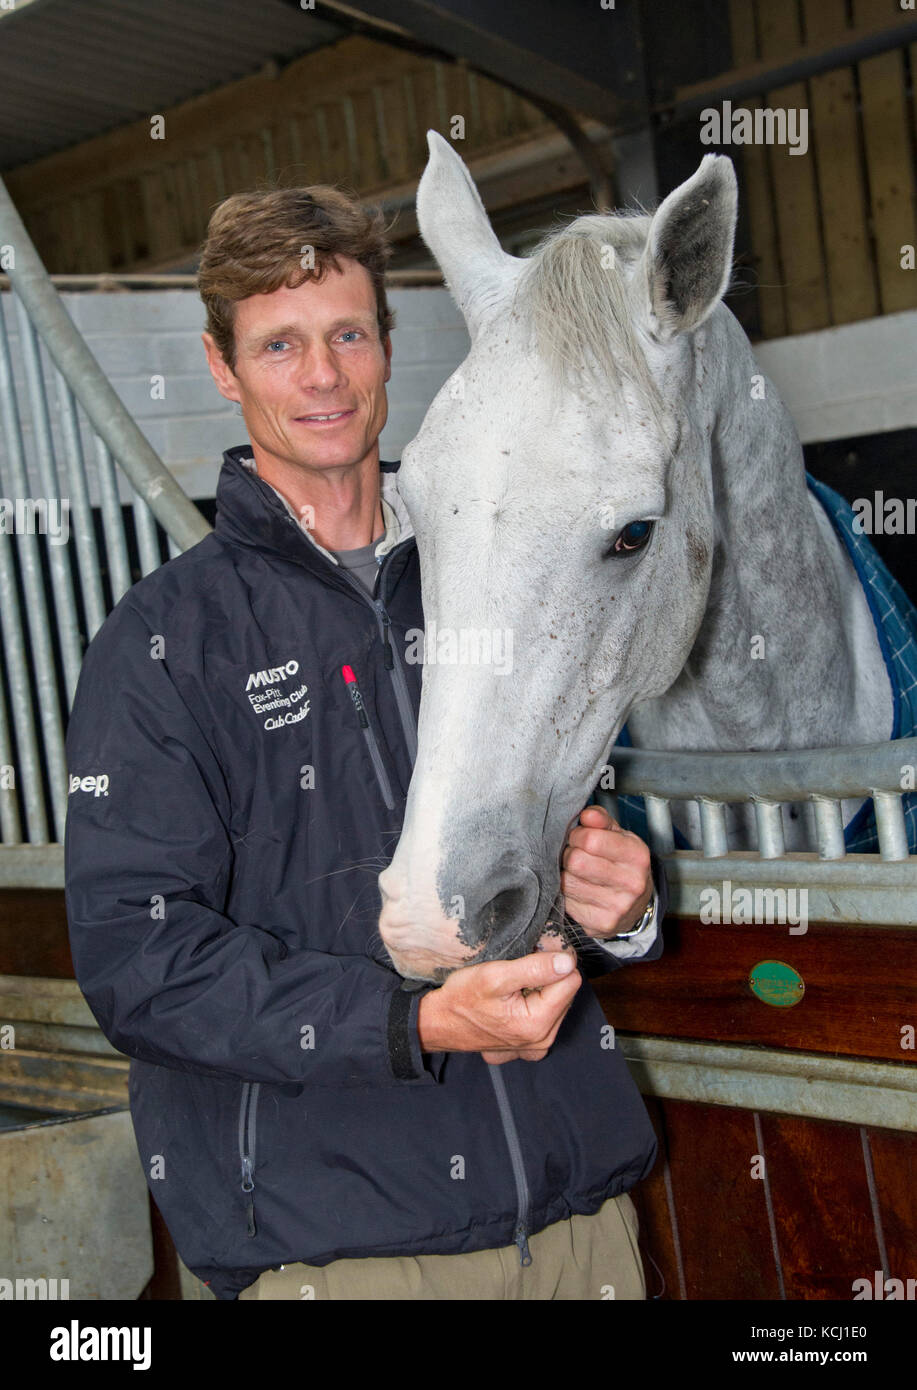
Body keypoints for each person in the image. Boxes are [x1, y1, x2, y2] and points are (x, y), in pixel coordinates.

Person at [64, 184, 667, 1302]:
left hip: (581, 1224)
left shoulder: (488, 574)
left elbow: (552, 835)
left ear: (390, 345)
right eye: (280, 344)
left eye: (347, 333)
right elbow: (138, 967)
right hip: (340, 1257)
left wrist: (619, 907)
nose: (324, 376)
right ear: (220, 366)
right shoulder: (162, 642)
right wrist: (417, 1021)